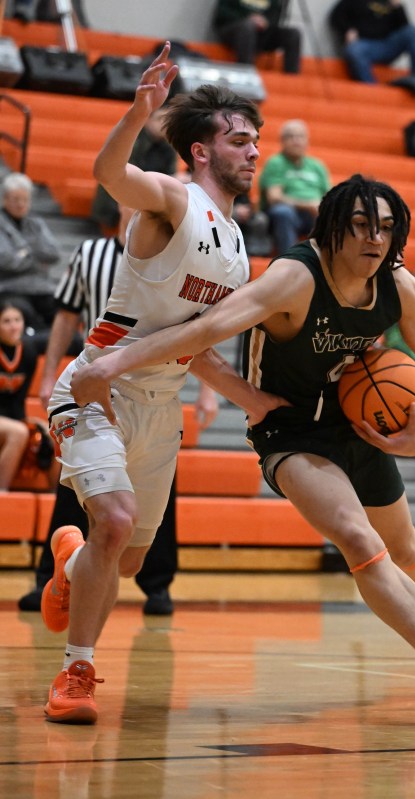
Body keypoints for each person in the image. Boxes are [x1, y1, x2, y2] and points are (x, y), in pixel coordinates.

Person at [70, 174, 415, 733]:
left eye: (385, 227)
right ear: (332, 228)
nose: (374, 238)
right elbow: (200, 331)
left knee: (406, 546)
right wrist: (110, 364)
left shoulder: (401, 286)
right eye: (359, 225)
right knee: (360, 541)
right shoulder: (293, 280)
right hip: (290, 432)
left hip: (353, 422)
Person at [38, 42, 285, 725]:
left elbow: (198, 350)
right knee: (114, 522)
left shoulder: (237, 250)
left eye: (256, 141)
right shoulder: (173, 199)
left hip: (161, 404)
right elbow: (110, 172)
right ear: (201, 152)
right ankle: (75, 673)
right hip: (95, 387)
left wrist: (260, 403)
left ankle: (69, 556)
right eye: (239, 140)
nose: (254, 151)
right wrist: (139, 111)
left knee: (122, 558)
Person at [16, 205, 219, 616]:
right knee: (74, 489)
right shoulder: (89, 253)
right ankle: (51, 579)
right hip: (96, 385)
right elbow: (66, 315)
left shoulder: (183, 259)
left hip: (156, 393)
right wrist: (47, 372)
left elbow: (197, 332)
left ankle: (157, 585)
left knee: (152, 505)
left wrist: (209, 391)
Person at [91, 107, 188, 233]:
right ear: (147, 120)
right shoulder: (133, 140)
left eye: (168, 120)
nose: (165, 123)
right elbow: (124, 175)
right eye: (160, 119)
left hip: (147, 195)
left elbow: (170, 175)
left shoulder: (168, 146)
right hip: (119, 197)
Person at [0, 172, 61, 345]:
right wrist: (36, 256)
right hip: (9, 287)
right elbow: (6, 260)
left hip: (41, 287)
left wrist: (23, 252)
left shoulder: (36, 223)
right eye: (15, 199)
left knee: (66, 310)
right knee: (22, 310)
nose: (20, 204)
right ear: (5, 199)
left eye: (24, 199)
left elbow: (54, 253)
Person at [328, 0, 415, 94]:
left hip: (387, 45)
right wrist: (347, 30)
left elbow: (405, 28)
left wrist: (398, 7)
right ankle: (373, 90)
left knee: (414, 31)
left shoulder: (390, 2)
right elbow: (335, 16)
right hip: (365, 46)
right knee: (354, 49)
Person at [259, 119, 331, 255]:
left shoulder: (317, 166)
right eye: (290, 136)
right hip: (287, 215)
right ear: (282, 141)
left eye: (300, 136)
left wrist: (321, 208)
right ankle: (289, 259)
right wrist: (308, 205)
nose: (295, 141)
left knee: (332, 215)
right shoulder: (276, 162)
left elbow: (330, 197)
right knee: (282, 212)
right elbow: (274, 198)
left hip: (313, 215)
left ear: (307, 141)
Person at [0, 299, 47, 490]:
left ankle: (54, 497)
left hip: (11, 417)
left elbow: (21, 399)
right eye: (6, 321)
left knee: (52, 431)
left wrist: (27, 422)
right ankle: (2, 492)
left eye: (17, 320)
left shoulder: (28, 352)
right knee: (18, 432)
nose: (13, 326)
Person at [212, 0, 302, 75]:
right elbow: (222, 12)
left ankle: (291, 79)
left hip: (261, 34)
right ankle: (246, 73)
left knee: (293, 34)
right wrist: (248, 18)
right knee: (247, 26)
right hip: (234, 29)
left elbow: (275, 14)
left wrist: (265, 21)